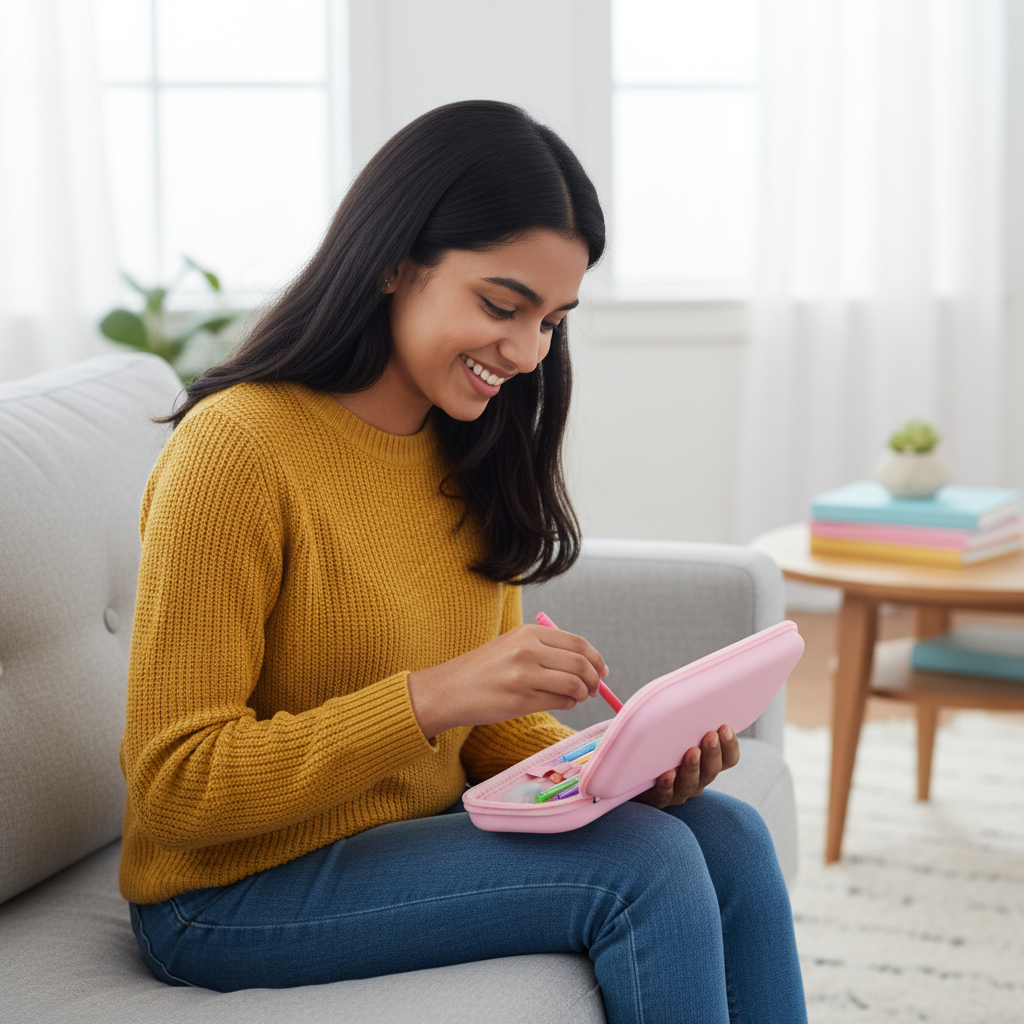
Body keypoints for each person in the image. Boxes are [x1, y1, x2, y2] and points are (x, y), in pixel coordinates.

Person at [121, 100, 807, 1023]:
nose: (526, 353)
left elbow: (486, 741)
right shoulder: (236, 453)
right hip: (223, 892)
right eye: (501, 306)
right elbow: (175, 789)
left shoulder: (467, 446)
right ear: (396, 263)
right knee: (642, 870)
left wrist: (613, 772)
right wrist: (431, 695)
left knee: (721, 831)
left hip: (398, 838)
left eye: (553, 321)